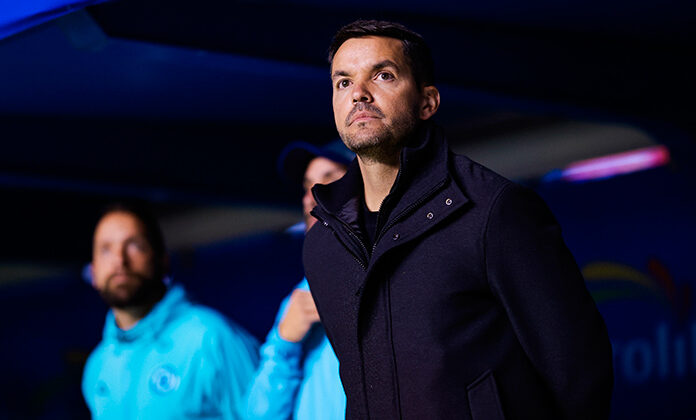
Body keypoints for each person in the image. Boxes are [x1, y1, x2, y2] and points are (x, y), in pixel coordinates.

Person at [302, 20, 614, 420]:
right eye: (343, 82)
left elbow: (579, 375)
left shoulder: (493, 211)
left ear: (427, 102)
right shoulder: (324, 246)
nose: (359, 93)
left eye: (383, 75)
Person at [82, 201, 259, 419]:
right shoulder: (98, 365)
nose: (120, 260)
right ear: (93, 272)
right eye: (106, 249)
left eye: (134, 245)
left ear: (162, 261)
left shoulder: (210, 338)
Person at [244, 141, 352, 419]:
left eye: (329, 178)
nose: (311, 196)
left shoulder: (398, 278)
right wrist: (284, 344)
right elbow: (259, 416)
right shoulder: (298, 299)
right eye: (306, 186)